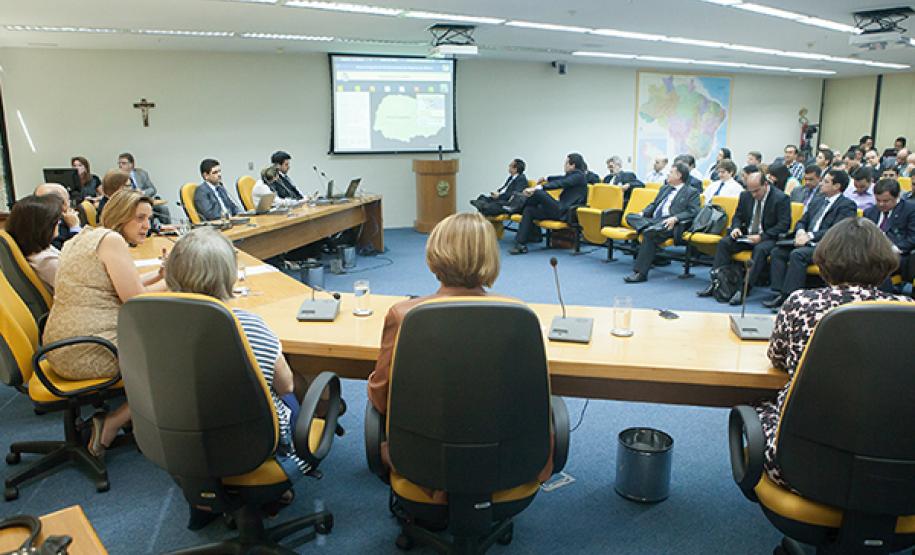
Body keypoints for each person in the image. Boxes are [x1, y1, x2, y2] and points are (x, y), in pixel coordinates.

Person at [367, 213, 555, 493]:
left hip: (423, 463)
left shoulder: (405, 315)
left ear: (434, 254)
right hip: (509, 461)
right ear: (491, 257)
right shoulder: (519, 315)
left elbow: (381, 400)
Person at [756, 217, 912, 489]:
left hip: (802, 466)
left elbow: (778, 359)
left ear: (825, 261)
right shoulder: (908, 308)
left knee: (757, 406)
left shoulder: (802, 303)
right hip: (898, 470)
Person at [164, 227, 311, 480]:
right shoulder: (249, 326)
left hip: (185, 440)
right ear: (228, 274)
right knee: (296, 388)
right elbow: (286, 386)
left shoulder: (157, 324)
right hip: (254, 443)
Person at [42, 189, 167, 457]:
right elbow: (135, 299)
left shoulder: (85, 236)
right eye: (139, 218)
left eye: (149, 218)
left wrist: (159, 277)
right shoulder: (111, 240)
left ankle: (138, 415)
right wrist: (179, 281)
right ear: (121, 217)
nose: (147, 225)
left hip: (60, 344)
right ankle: (111, 422)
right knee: (173, 361)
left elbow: (108, 286)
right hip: (87, 349)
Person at [763, 170, 857, 309]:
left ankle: (791, 298)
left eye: (826, 181)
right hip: (805, 240)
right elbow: (803, 220)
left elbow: (837, 230)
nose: (821, 184)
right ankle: (779, 292)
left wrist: (810, 236)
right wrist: (801, 231)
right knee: (778, 251)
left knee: (797, 255)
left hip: (826, 245)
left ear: (837, 186)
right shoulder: (818, 200)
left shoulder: (847, 205)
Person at [697, 171, 790, 304]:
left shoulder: (781, 198)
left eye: (756, 191)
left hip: (768, 237)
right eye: (750, 191)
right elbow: (738, 216)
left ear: (765, 184)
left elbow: (783, 225)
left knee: (760, 250)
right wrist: (736, 227)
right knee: (724, 243)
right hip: (747, 235)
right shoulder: (746, 195)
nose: (753, 194)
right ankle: (717, 282)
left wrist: (762, 236)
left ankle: (743, 289)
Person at [623, 162, 700, 283]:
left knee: (649, 235)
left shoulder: (691, 192)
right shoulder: (665, 188)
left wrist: (676, 218)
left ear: (679, 175)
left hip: (671, 223)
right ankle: (650, 227)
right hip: (655, 221)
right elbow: (654, 204)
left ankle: (640, 273)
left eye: (671, 172)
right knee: (630, 216)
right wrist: (642, 214)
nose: (668, 174)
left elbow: (693, 211)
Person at [510, 153, 588, 255]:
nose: (564, 165)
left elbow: (562, 183)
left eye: (566, 163)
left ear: (572, 165)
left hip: (564, 212)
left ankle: (517, 207)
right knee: (529, 210)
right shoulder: (573, 175)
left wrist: (539, 187)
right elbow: (560, 178)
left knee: (538, 193)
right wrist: (546, 178)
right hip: (559, 210)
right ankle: (521, 244)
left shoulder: (579, 176)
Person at [5, 195, 62, 294]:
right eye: (56, 220)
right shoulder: (47, 261)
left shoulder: (37, 250)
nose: (59, 222)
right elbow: (78, 291)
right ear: (44, 227)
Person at [864, 178, 915, 284]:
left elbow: (912, 238)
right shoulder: (870, 212)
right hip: (869, 252)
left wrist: (893, 249)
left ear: (897, 197)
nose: (881, 204)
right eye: (878, 200)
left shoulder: (910, 210)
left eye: (886, 201)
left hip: (896, 254)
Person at [118, 152, 170, 224]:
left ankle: (169, 231)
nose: (120, 166)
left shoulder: (141, 173)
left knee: (163, 209)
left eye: (123, 163)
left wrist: (143, 193)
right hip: (130, 205)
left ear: (131, 164)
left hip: (144, 201)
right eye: (119, 163)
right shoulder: (117, 176)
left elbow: (152, 189)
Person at [35, 183, 81, 250]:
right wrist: (74, 227)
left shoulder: (34, 222)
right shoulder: (51, 229)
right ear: (63, 204)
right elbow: (78, 252)